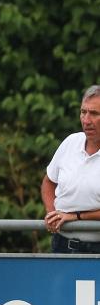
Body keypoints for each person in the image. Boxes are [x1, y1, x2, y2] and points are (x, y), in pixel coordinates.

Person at [41, 85, 100, 254]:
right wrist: (52, 213)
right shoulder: (71, 142)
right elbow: (48, 182)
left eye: (94, 114)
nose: (86, 120)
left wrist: (75, 216)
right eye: (83, 112)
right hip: (61, 244)